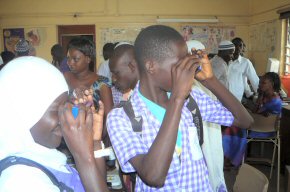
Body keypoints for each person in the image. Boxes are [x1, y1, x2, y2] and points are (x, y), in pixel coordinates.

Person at [107, 25, 253, 191]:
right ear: (151, 66)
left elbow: (245, 120)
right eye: (180, 64)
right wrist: (176, 99)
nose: (188, 70)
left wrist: (210, 80)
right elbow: (153, 176)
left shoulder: (192, 99)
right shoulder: (121, 118)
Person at [0, 56, 108, 191]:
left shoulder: (46, 156)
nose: (64, 118)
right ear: (22, 116)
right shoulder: (21, 181)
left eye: (65, 106)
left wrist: (94, 143)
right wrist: (83, 157)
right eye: (56, 109)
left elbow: (98, 185)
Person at [186, 40, 226, 191]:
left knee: (212, 159)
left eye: (202, 55)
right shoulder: (188, 82)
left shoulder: (206, 77)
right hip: (197, 132)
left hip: (210, 128)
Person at [64, 37, 113, 144]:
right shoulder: (63, 78)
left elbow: (109, 117)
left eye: (75, 59)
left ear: (88, 59)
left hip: (92, 139)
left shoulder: (102, 84)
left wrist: (97, 140)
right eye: (68, 58)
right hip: (66, 139)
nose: (70, 63)